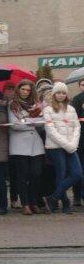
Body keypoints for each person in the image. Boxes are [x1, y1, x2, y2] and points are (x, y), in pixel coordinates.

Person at [8, 79, 46, 216]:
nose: (25, 92)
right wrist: (31, 122)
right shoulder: (13, 105)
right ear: (18, 90)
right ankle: (25, 204)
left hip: (35, 144)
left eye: (28, 90)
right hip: (19, 145)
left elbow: (42, 122)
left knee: (36, 173)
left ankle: (34, 202)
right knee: (22, 175)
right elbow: (15, 125)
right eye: (23, 89)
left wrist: (27, 121)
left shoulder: (36, 104)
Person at [42, 82, 81, 214]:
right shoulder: (48, 110)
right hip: (55, 147)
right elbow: (51, 131)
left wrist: (73, 144)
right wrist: (67, 145)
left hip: (71, 147)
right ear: (54, 94)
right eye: (58, 92)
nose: (61, 95)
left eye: (63, 93)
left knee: (77, 174)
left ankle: (53, 198)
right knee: (61, 174)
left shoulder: (71, 109)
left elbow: (77, 127)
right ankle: (65, 203)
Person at [72, 81, 84, 207]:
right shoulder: (76, 99)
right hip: (80, 140)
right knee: (79, 168)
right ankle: (77, 196)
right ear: (79, 86)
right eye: (83, 84)